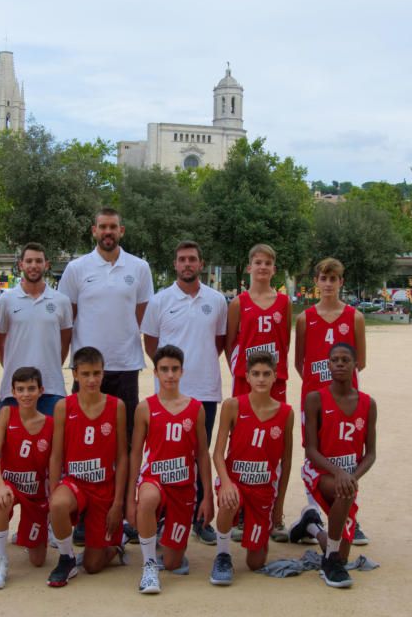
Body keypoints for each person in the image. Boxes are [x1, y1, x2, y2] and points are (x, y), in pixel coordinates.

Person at [141, 241, 226, 545]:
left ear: (201, 263)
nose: (187, 264)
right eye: (182, 260)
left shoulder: (216, 300)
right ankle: (163, 511)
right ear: (175, 265)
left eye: (192, 259)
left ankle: (200, 518)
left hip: (204, 389)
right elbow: (151, 343)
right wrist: (168, 374)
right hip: (167, 395)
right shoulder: (160, 300)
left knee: (199, 454)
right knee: (167, 456)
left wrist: (198, 363)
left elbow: (218, 342)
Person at [58, 208, 152, 446]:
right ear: (94, 231)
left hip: (126, 365)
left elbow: (143, 316)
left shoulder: (139, 267)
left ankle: (125, 485)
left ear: (121, 231)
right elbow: (69, 319)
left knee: (126, 438)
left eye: (113, 227)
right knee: (82, 438)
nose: (108, 232)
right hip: (87, 367)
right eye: (103, 227)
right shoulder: (76, 268)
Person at [293, 256, 370, 546]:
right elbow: (300, 363)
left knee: (346, 454)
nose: (328, 284)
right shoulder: (305, 318)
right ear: (316, 282)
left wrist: (337, 387)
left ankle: (349, 514)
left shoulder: (354, 317)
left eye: (333, 279)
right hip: (314, 399)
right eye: (323, 279)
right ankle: (315, 512)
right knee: (314, 453)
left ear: (341, 282)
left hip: (346, 400)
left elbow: (360, 361)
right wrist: (318, 389)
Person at [126, 345, 214, 594]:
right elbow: (135, 453)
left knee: (175, 563)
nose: (170, 375)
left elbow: (202, 455)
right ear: (155, 373)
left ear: (182, 371)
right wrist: (131, 498)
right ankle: (149, 565)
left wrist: (207, 496)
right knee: (148, 499)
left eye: (175, 369)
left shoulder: (195, 408)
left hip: (184, 488)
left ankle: (161, 526)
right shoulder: (145, 407)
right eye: (164, 369)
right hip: (154, 480)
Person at [224, 243, 292, 543]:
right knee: (240, 445)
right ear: (249, 267)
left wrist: (269, 375)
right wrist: (245, 375)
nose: (262, 267)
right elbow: (230, 345)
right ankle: (237, 511)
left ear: (273, 269)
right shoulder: (239, 303)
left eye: (268, 263)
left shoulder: (283, 303)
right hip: (245, 382)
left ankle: (273, 513)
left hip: (274, 384)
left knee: (273, 447)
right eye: (257, 262)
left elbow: (285, 343)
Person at [209, 351, 294, 585]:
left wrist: (280, 505)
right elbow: (217, 453)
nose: (261, 379)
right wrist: (225, 482)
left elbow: (286, 463)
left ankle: (253, 528)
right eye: (255, 374)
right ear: (246, 377)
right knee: (229, 499)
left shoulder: (286, 413)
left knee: (255, 563)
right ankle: (223, 555)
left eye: (267, 374)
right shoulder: (232, 406)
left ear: (275, 377)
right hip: (235, 481)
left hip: (263, 488)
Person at [46, 347, 128, 587]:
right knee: (59, 504)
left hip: (104, 488)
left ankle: (115, 546)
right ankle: (66, 558)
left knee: (93, 566)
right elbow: (56, 455)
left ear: (103, 374)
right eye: (86, 374)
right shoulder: (64, 406)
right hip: (75, 484)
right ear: (75, 374)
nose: (92, 379)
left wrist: (118, 502)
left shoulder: (117, 406)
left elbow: (123, 456)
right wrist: (53, 493)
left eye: (97, 373)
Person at [300, 343, 377, 588]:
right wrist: (340, 473)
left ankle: (311, 526)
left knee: (346, 551)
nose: (340, 363)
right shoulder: (315, 399)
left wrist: (352, 475)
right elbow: (310, 450)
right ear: (328, 365)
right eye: (335, 360)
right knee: (346, 491)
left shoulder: (368, 403)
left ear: (356, 366)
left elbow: (371, 453)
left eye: (346, 360)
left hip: (347, 476)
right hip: (320, 471)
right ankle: (330, 562)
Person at [0, 367, 54, 589]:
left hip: (35, 494)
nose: (26, 394)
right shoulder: (7, 413)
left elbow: (54, 466)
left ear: (41, 390)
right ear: (13, 392)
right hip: (11, 487)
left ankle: (26, 533)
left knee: (37, 561)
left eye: (31, 389)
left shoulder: (50, 423)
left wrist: (52, 497)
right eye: (21, 389)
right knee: (2, 501)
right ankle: (0, 560)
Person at [0, 242, 72, 416]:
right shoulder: (6, 300)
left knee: (53, 442)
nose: (33, 266)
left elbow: (65, 340)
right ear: (21, 264)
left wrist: (50, 364)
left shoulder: (61, 301)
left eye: (38, 261)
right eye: (29, 261)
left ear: (46, 264)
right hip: (14, 389)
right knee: (12, 442)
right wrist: (12, 367)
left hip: (52, 387)